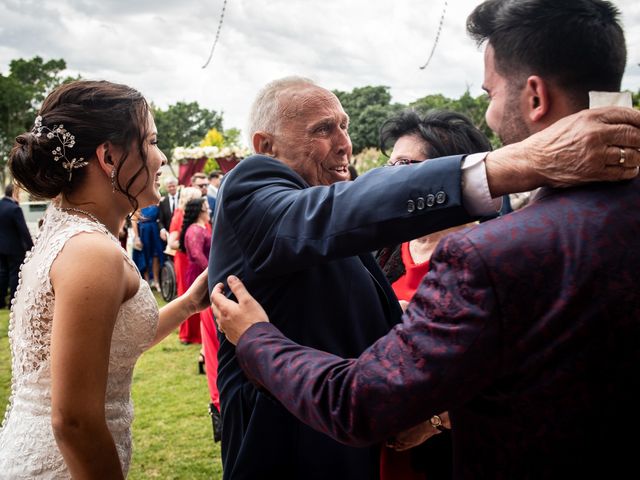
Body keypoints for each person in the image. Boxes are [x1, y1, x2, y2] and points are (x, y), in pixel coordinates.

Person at [210, 1, 640, 478]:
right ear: (265, 147)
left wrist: (255, 338)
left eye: (345, 126)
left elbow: (365, 395)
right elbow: (324, 218)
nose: (344, 144)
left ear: (535, 96)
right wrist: (508, 165)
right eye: (322, 130)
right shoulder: (255, 186)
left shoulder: (489, 254)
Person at [0, 80, 211, 479]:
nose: (161, 158)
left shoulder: (68, 234)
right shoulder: (92, 252)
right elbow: (75, 421)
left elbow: (107, 347)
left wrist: (186, 303)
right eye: (150, 142)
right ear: (109, 156)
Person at [376, 109, 492, 480]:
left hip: (452, 450)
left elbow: (510, 367)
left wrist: (436, 420)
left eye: (404, 164)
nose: (388, 177)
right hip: (382, 436)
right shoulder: (386, 249)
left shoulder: (490, 252)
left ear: (448, 171)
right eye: (388, 164)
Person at [179, 197, 222, 442]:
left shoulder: (204, 227)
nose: (209, 211)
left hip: (211, 279)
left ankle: (201, 355)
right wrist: (216, 270)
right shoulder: (195, 230)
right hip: (204, 278)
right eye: (206, 208)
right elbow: (196, 255)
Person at [168, 186, 205, 344]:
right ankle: (188, 334)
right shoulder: (180, 215)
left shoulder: (201, 216)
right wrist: (191, 243)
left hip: (200, 258)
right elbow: (172, 242)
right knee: (187, 294)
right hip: (185, 259)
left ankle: (202, 332)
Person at [0, 183, 34, 309]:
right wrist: (32, 247)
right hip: (14, 249)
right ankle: (12, 302)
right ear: (14, 193)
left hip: (1, 248)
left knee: (2, 273)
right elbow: (23, 231)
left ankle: (1, 300)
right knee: (15, 274)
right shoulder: (15, 209)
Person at [131, 204, 165, 290]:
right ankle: (147, 282)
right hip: (143, 231)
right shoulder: (139, 202)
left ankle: (156, 281)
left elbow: (161, 217)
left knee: (156, 255)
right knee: (144, 256)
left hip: (155, 231)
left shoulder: (157, 201)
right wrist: (137, 237)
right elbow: (134, 220)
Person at [158, 176, 179, 243]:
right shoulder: (163, 201)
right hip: (168, 234)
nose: (172, 188)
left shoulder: (182, 198)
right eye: (169, 186)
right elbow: (160, 219)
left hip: (180, 232)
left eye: (173, 186)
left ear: (177, 186)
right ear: (166, 188)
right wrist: (162, 229)